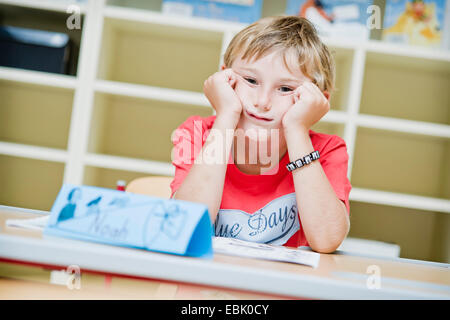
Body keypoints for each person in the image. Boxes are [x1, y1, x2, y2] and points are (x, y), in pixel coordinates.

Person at [170, 16, 352, 253]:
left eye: (285, 89)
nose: (263, 102)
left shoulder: (328, 150)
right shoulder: (196, 133)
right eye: (251, 80)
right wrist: (226, 114)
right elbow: (187, 226)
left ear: (317, 101)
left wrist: (297, 129)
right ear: (225, 80)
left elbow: (327, 239)